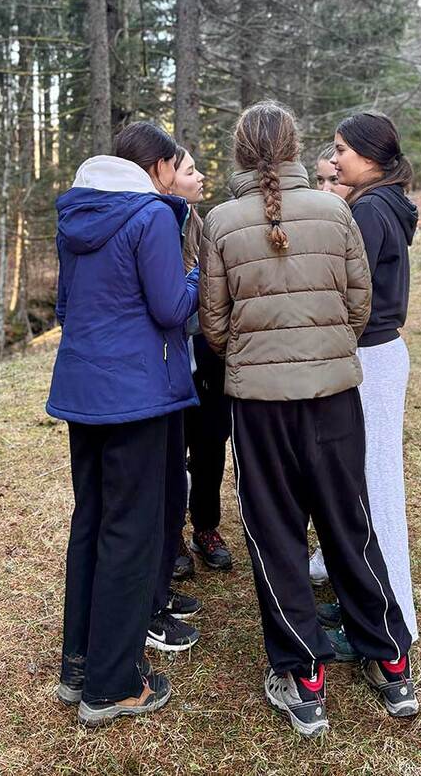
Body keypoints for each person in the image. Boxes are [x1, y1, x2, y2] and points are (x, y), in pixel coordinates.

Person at [199, 101, 418, 738]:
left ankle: (302, 674)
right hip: (333, 395)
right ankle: (390, 660)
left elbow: (214, 322)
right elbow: (359, 305)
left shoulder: (221, 222)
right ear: (295, 149)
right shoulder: (336, 211)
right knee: (349, 522)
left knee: (276, 532)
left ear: (241, 152)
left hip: (260, 405)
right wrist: (322, 349)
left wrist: (254, 355)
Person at [47, 121, 200, 727]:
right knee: (130, 531)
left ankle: (79, 665)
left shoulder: (76, 216)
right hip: (136, 396)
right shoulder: (152, 215)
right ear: (158, 168)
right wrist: (199, 278)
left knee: (91, 521)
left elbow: (65, 306)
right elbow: (171, 307)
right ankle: (113, 685)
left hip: (83, 390)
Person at [318, 112, 419, 659]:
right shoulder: (382, 202)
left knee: (376, 488)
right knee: (362, 482)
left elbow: (346, 289)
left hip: (371, 357)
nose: (335, 160)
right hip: (376, 354)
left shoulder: (371, 210)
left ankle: (392, 620)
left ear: (370, 156)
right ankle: (364, 599)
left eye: (341, 150)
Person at [171, 146, 234, 576]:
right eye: (191, 171)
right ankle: (171, 532)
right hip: (169, 360)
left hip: (210, 358)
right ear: (165, 176)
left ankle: (206, 527)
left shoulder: (204, 225)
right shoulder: (153, 225)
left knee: (211, 446)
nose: (201, 177)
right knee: (171, 452)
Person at [309, 144, 352, 587]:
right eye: (318, 180)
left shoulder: (353, 223)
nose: (325, 188)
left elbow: (359, 301)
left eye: (333, 180)